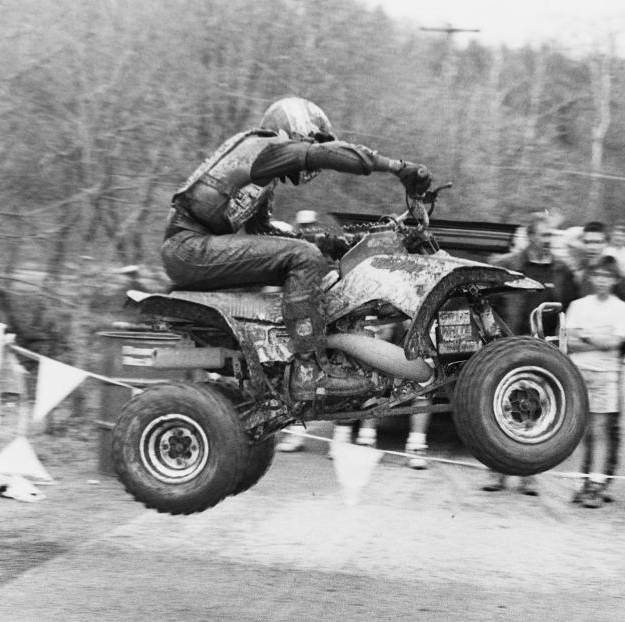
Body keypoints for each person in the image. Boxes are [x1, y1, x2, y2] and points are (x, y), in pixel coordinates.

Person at [160, 97, 431, 401]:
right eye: (314, 140)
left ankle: (292, 360)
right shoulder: (266, 146)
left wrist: (333, 243)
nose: (315, 149)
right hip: (189, 247)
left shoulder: (262, 175)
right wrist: (397, 168)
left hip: (195, 247)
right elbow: (324, 155)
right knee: (303, 258)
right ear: (297, 131)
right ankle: (309, 369)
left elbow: (264, 233)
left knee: (305, 255)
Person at [481, 211, 579, 495]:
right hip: (508, 348)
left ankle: (528, 476)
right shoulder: (506, 266)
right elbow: (486, 305)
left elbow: (570, 308)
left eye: (552, 235)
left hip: (544, 352)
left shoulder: (562, 270)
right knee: (496, 409)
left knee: (536, 413)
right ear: (532, 236)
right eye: (546, 234)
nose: (550, 240)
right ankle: (496, 473)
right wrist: (493, 338)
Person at [565, 258, 625, 508]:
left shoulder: (622, 308)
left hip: (606, 375)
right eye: (598, 275)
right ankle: (579, 483)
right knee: (578, 431)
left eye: (608, 276)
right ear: (591, 277)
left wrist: (585, 335)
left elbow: (615, 342)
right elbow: (568, 341)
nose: (602, 280)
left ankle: (595, 484)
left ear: (615, 280)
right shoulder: (578, 305)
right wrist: (598, 338)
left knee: (601, 430)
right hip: (579, 371)